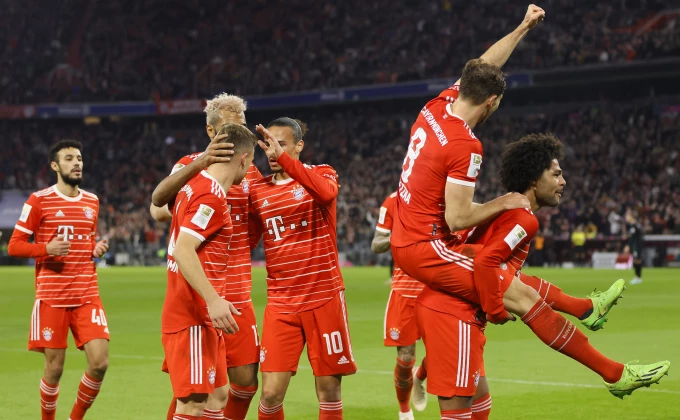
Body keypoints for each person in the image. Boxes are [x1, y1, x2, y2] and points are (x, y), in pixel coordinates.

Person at [415, 134, 670, 419]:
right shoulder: (522, 217)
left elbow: (492, 267)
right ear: (535, 180)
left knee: (481, 406)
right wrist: (495, 309)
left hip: (453, 309)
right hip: (451, 313)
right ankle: (612, 369)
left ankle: (587, 312)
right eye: (556, 174)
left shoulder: (504, 208)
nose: (563, 182)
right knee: (525, 300)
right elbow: (486, 261)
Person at [150, 93, 263, 420]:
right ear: (211, 131)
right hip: (201, 290)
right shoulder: (194, 170)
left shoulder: (250, 172)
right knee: (195, 391)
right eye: (230, 126)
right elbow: (157, 207)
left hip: (236, 289)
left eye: (242, 126)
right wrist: (192, 207)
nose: (238, 132)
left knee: (238, 385)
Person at [249, 118, 356, 420]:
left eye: (280, 144)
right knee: (270, 394)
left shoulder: (322, 172)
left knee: (329, 390)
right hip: (281, 304)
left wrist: (285, 160)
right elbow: (248, 238)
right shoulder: (258, 190)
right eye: (268, 144)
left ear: (299, 146)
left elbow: (326, 194)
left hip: (324, 299)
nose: (272, 151)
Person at [8, 140, 110, 420]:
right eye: (69, 158)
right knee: (55, 369)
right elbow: (14, 246)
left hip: (87, 294)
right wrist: (46, 249)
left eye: (79, 158)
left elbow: (86, 240)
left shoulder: (92, 201)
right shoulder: (38, 200)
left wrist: (93, 249)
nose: (77, 163)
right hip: (53, 298)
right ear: (55, 165)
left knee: (100, 363)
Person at [371, 191, 427, 419]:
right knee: (405, 359)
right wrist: (399, 236)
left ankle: (420, 376)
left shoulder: (446, 195)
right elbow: (376, 245)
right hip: (405, 291)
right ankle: (404, 411)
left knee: (442, 353)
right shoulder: (394, 201)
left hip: (437, 288)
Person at [626, 209, 645, 285]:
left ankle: (638, 277)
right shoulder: (632, 226)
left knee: (637, 260)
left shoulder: (636, 225)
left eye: (627, 216)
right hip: (634, 246)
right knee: (634, 260)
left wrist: (637, 246)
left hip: (636, 246)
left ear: (631, 216)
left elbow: (640, 236)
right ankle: (637, 277)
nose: (626, 217)